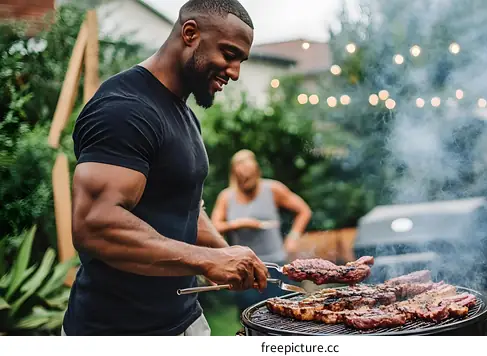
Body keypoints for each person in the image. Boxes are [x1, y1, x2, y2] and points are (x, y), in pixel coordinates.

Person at [61, 0, 269, 336]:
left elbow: (184, 205)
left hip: (184, 321)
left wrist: (223, 253)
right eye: (229, 54)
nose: (234, 72)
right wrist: (207, 261)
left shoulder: (184, 114)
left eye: (240, 61)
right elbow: (94, 225)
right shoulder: (124, 110)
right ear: (190, 33)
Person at [210, 149, 312, 310]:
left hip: (276, 264)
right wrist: (239, 223)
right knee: (251, 316)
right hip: (245, 268)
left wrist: (293, 236)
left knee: (283, 315)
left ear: (257, 170)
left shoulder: (273, 189)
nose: (246, 180)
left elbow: (304, 210)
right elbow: (213, 227)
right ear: (234, 175)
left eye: (249, 175)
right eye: (242, 177)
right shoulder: (226, 197)